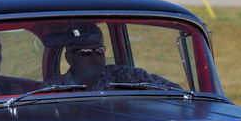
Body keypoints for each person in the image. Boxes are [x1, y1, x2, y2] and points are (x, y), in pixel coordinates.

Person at [51, 23, 179, 92]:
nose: (95, 58)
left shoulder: (121, 76)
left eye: (100, 51)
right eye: (85, 52)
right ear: (69, 58)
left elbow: (172, 90)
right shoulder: (54, 89)